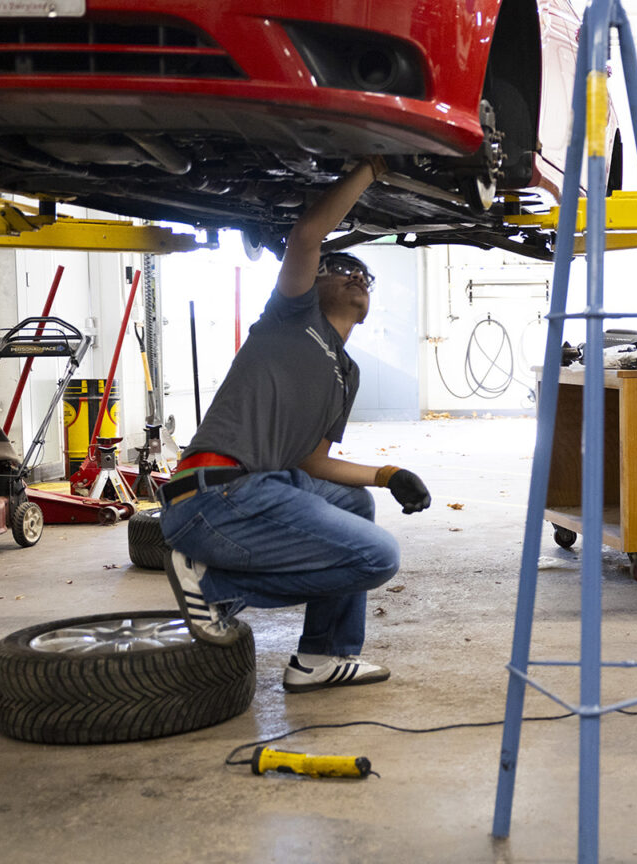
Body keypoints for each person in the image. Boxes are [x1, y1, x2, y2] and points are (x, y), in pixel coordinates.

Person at [158, 156, 433, 693]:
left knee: (356, 504)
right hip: (215, 495)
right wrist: (372, 166)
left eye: (365, 274)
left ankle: (321, 657)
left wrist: (388, 474)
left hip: (258, 490)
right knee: (378, 556)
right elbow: (307, 233)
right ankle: (216, 586)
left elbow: (314, 461)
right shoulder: (292, 316)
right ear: (315, 280)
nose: (357, 276)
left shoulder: (347, 373)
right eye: (342, 267)